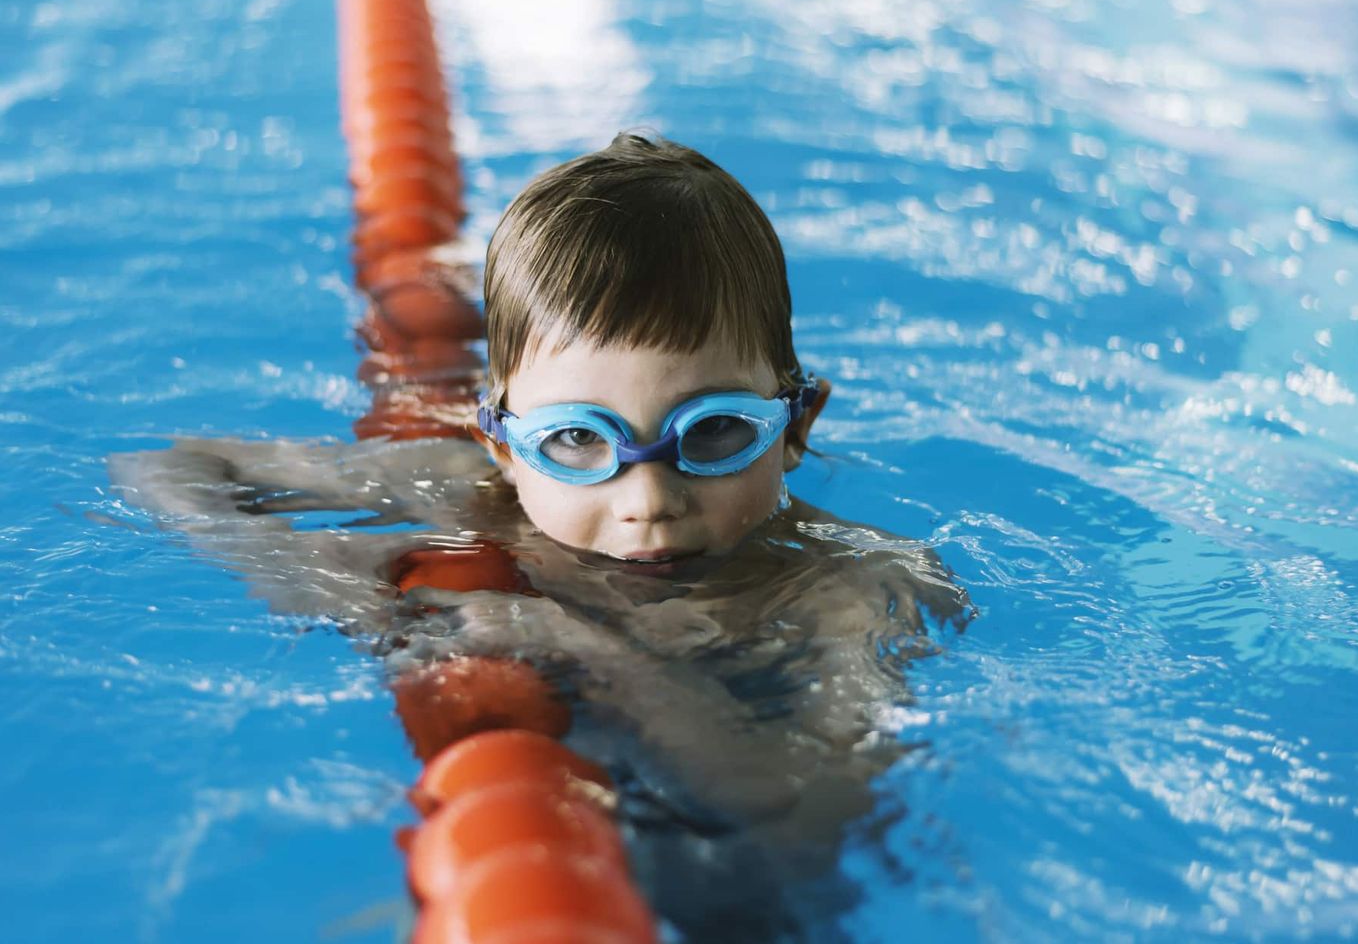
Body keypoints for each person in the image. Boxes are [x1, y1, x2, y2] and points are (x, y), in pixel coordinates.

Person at [110, 132, 971, 940]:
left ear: (794, 426)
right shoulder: (466, 489)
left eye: (712, 433)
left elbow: (811, 812)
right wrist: (329, 592)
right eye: (575, 441)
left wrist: (589, 649)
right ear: (501, 445)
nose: (647, 499)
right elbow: (165, 469)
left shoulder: (856, 590)